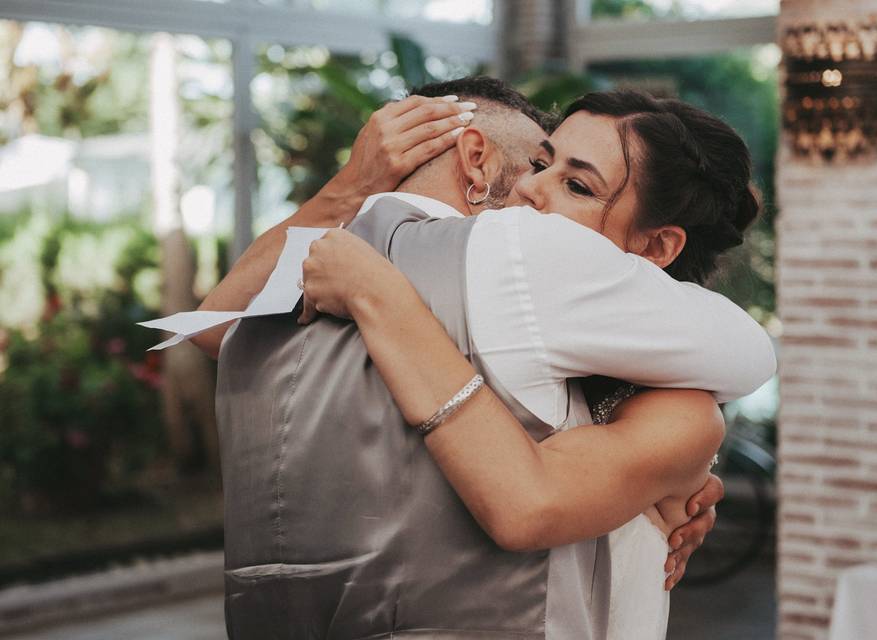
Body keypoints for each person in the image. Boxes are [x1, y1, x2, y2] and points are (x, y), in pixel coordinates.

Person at [197, 78, 775, 638]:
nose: (529, 190)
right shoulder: (494, 285)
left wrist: (378, 285)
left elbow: (212, 325)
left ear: (657, 247)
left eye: (575, 185)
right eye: (540, 163)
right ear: (474, 158)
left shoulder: (296, 296)